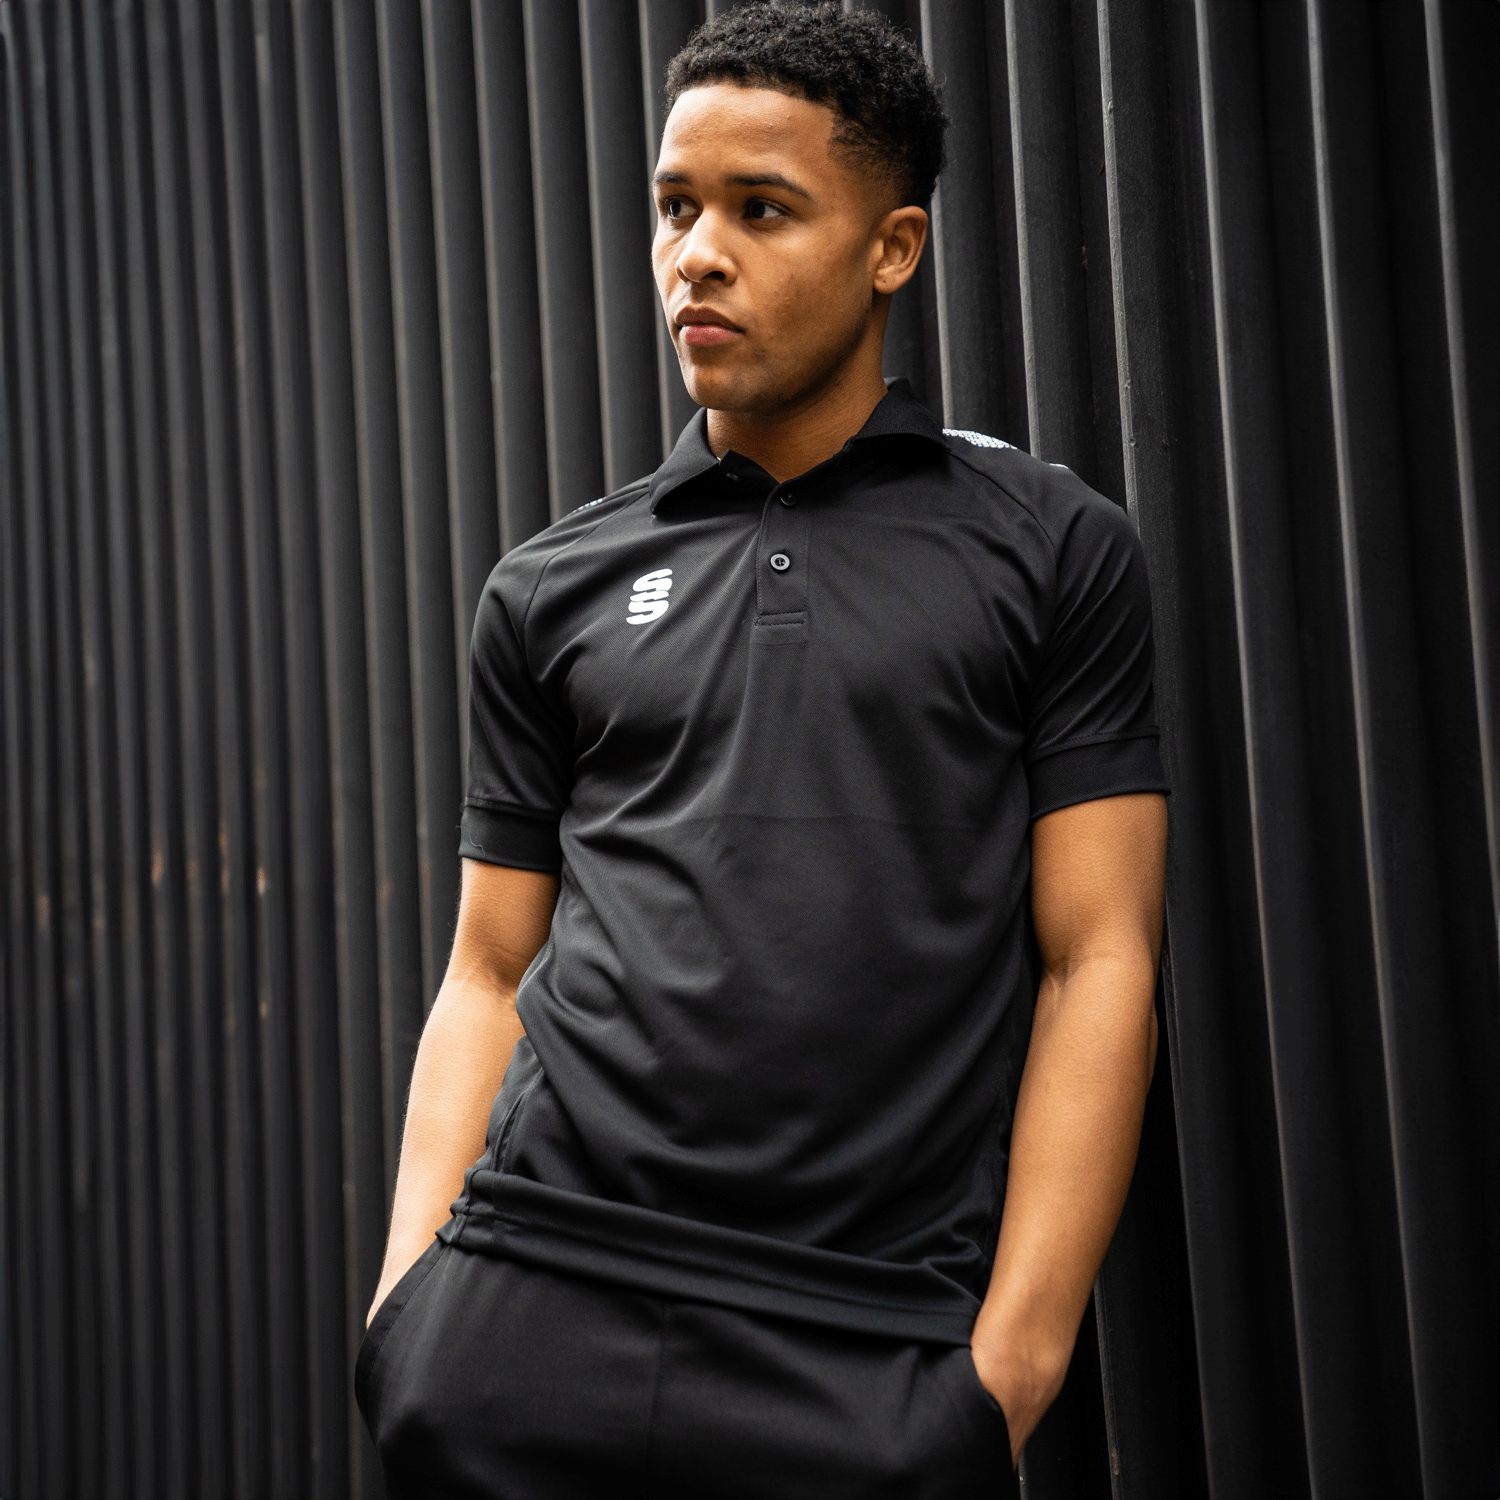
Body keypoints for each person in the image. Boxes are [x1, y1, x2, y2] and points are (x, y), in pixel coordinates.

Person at [355, 6, 1168, 1495]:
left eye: (761, 210)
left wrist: (1011, 1368)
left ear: (893, 249)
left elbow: (1099, 957)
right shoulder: (550, 584)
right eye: (677, 208)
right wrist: (409, 1310)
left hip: (865, 1343)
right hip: (525, 1309)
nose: (698, 255)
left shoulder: (1051, 549)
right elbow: (489, 966)